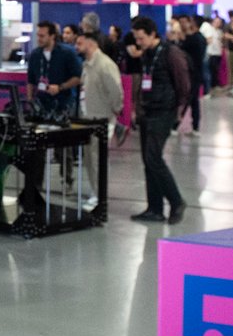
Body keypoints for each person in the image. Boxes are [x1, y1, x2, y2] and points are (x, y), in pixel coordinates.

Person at [129, 16, 190, 224]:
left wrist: (178, 111)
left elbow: (183, 84)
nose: (138, 42)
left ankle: (176, 201)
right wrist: (137, 107)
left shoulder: (170, 53)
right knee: (148, 161)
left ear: (153, 34)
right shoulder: (147, 54)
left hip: (164, 112)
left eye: (141, 38)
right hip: (148, 110)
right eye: (136, 38)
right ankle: (154, 208)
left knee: (154, 158)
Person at [76, 32, 123, 208]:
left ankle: (100, 195)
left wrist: (114, 111)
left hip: (101, 119)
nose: (76, 46)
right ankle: (95, 192)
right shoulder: (87, 65)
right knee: (89, 158)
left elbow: (116, 92)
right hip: (87, 119)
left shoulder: (105, 65)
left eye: (80, 43)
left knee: (97, 159)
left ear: (91, 43)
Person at [26, 20, 82, 115]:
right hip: (41, 103)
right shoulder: (35, 55)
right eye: (38, 35)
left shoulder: (67, 53)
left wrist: (60, 87)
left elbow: (78, 77)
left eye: (42, 36)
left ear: (52, 36)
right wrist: (30, 100)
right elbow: (30, 81)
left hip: (64, 103)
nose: (39, 39)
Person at [177, 15, 206, 135]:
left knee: (188, 99)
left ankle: (176, 124)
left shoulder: (193, 39)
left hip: (191, 73)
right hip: (196, 73)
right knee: (193, 101)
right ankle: (195, 126)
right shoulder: (200, 38)